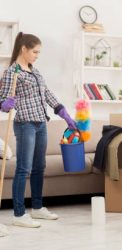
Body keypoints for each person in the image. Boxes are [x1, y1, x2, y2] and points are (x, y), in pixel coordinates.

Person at [0, 32, 77, 228]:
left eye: (39, 52)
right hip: (25, 124)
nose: (37, 55)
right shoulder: (12, 72)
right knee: (23, 168)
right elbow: (2, 99)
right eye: (35, 51)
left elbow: (47, 94)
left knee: (39, 167)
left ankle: (37, 208)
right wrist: (4, 104)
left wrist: (63, 112)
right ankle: (19, 215)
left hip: (41, 123)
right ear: (24, 49)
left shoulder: (35, 71)